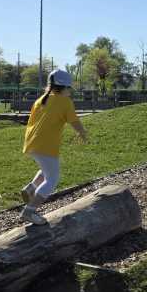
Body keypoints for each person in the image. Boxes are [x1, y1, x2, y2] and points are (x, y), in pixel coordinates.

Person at [20, 69, 87, 225]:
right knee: (52, 179)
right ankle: (29, 211)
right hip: (46, 144)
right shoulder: (65, 102)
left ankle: (30, 189)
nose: (70, 91)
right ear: (64, 87)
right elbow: (74, 121)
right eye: (69, 88)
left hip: (32, 142)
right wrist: (82, 133)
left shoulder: (41, 100)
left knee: (46, 170)